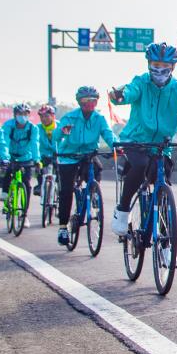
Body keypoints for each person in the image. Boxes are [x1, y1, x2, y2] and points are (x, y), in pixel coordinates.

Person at [108, 42, 177, 238]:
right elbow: (128, 92)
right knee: (140, 165)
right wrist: (119, 96)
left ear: (173, 67)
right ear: (148, 64)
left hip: (162, 145)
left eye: (165, 67)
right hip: (135, 141)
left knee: (163, 186)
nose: (160, 70)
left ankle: (165, 244)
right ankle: (122, 211)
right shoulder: (141, 82)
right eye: (155, 65)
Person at [54, 86, 115, 246]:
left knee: (97, 168)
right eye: (86, 100)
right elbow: (56, 136)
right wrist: (62, 131)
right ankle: (63, 228)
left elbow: (108, 133)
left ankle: (93, 192)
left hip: (88, 154)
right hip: (69, 156)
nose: (90, 103)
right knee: (66, 191)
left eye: (93, 100)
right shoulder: (70, 117)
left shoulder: (99, 118)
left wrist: (116, 146)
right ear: (79, 102)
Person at [1, 103, 40, 227]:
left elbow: (35, 144)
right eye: (19, 114)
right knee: (7, 172)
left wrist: (37, 160)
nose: (22, 117)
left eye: (25, 114)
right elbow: (4, 142)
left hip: (25, 157)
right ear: (15, 115)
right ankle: (5, 193)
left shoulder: (33, 128)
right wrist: (5, 157)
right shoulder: (8, 125)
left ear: (29, 115)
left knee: (26, 184)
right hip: (11, 155)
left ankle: (24, 215)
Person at [33, 104, 58, 196]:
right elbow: (34, 143)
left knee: (61, 171)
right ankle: (40, 185)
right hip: (43, 155)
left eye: (46, 116)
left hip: (57, 155)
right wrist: (36, 158)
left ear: (53, 116)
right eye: (41, 116)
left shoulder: (59, 126)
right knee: (39, 167)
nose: (44, 119)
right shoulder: (37, 128)